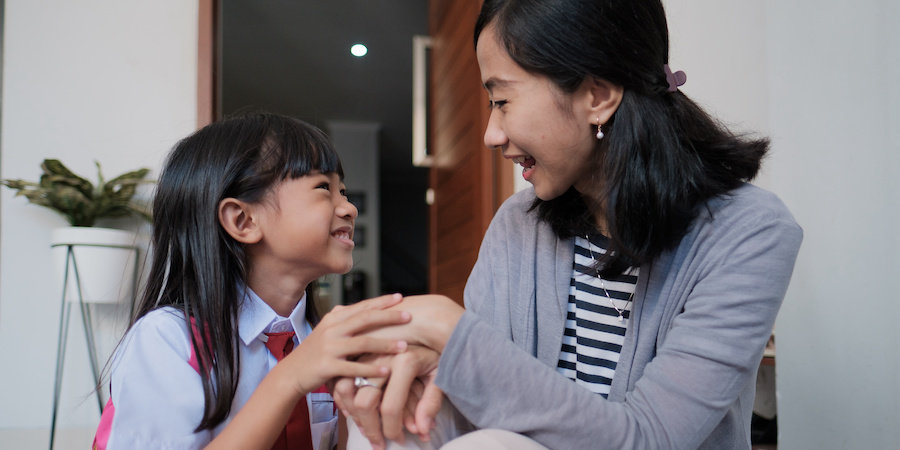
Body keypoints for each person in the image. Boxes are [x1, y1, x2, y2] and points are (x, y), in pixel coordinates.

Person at [335, 0, 803, 448]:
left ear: (597, 96)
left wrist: (450, 332)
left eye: (501, 100)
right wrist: (427, 386)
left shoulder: (750, 233)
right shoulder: (516, 226)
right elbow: (490, 408)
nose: (491, 134)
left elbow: (649, 439)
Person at [92, 113, 412, 450]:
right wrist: (290, 378)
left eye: (343, 191)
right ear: (243, 220)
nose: (348, 208)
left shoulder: (324, 341)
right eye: (323, 188)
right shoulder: (168, 340)